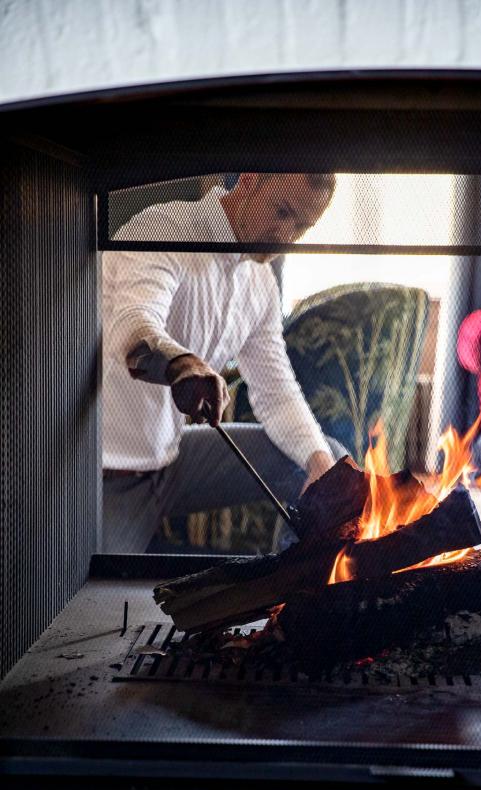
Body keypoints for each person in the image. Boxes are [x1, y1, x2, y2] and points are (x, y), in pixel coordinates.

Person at [102, 172, 343, 553]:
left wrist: (319, 462)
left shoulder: (260, 284)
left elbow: (277, 394)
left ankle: (304, 582)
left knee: (328, 463)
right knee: (94, 599)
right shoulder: (165, 229)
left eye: (301, 226)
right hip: (107, 475)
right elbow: (131, 326)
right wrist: (181, 364)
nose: (285, 235)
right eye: (281, 211)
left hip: (173, 461)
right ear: (248, 181)